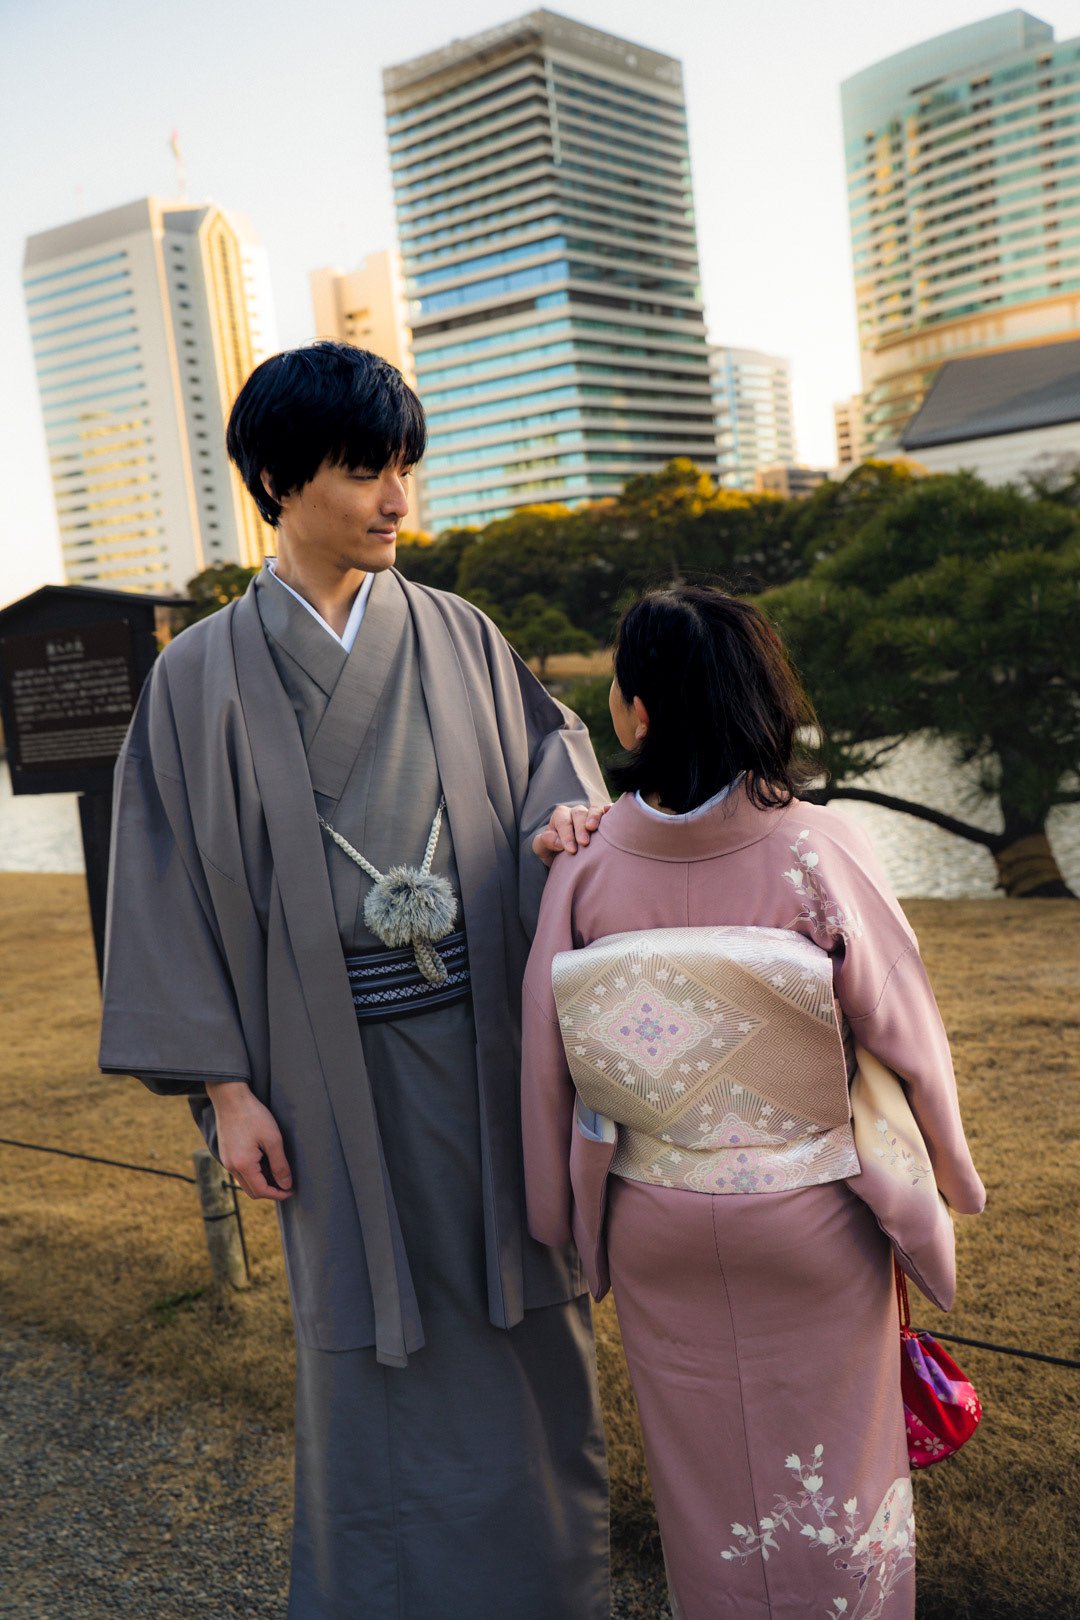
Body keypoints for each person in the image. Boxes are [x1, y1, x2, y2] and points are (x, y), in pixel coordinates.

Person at [99, 342, 612, 1620]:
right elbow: (157, 888)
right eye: (365, 470)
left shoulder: (461, 635)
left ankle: (549, 1587)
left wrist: (572, 836)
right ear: (276, 478)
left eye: (404, 468)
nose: (397, 499)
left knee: (526, 1311)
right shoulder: (196, 675)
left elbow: (562, 781)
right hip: (324, 1080)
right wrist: (226, 1092)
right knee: (361, 1341)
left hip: (487, 1053)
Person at [521, 586, 986, 1620]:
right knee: (840, 1484)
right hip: (807, 1214)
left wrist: (558, 1215)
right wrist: (949, 1167)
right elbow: (905, 1029)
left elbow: (545, 1058)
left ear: (632, 713)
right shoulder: (816, 845)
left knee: (708, 1494)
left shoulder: (585, 863)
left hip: (656, 1221)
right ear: (762, 702)